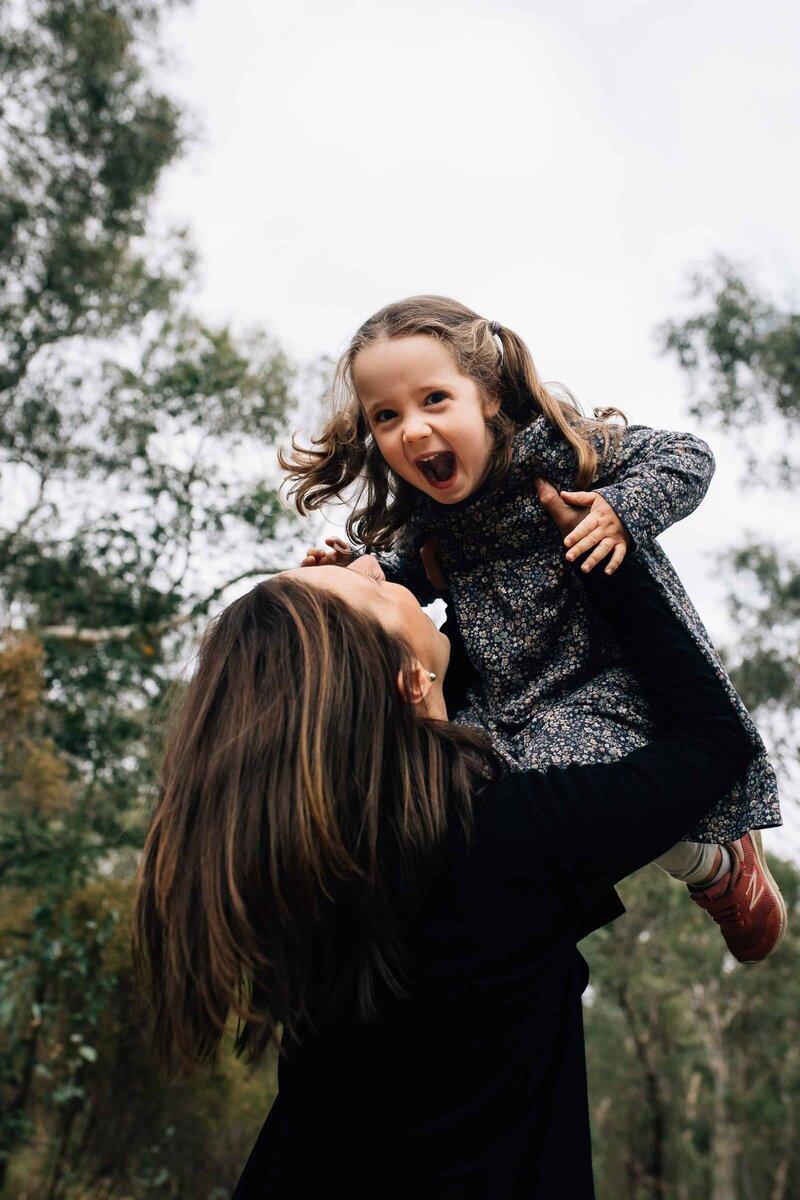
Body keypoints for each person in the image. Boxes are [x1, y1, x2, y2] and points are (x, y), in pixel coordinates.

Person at [132, 487, 776, 1199]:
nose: (377, 571)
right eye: (367, 591)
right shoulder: (507, 838)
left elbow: (454, 715)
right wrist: (601, 555)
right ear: (410, 680)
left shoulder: (307, 871)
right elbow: (713, 742)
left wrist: (462, 589)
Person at [283, 295, 785, 961]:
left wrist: (621, 507)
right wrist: (355, 574)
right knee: (465, 814)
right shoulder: (427, 512)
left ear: (488, 394)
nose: (411, 429)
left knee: (565, 797)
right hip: (504, 701)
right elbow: (409, 579)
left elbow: (686, 455)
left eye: (434, 399)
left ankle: (716, 867)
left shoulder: (559, 454)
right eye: (387, 415)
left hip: (599, 680)